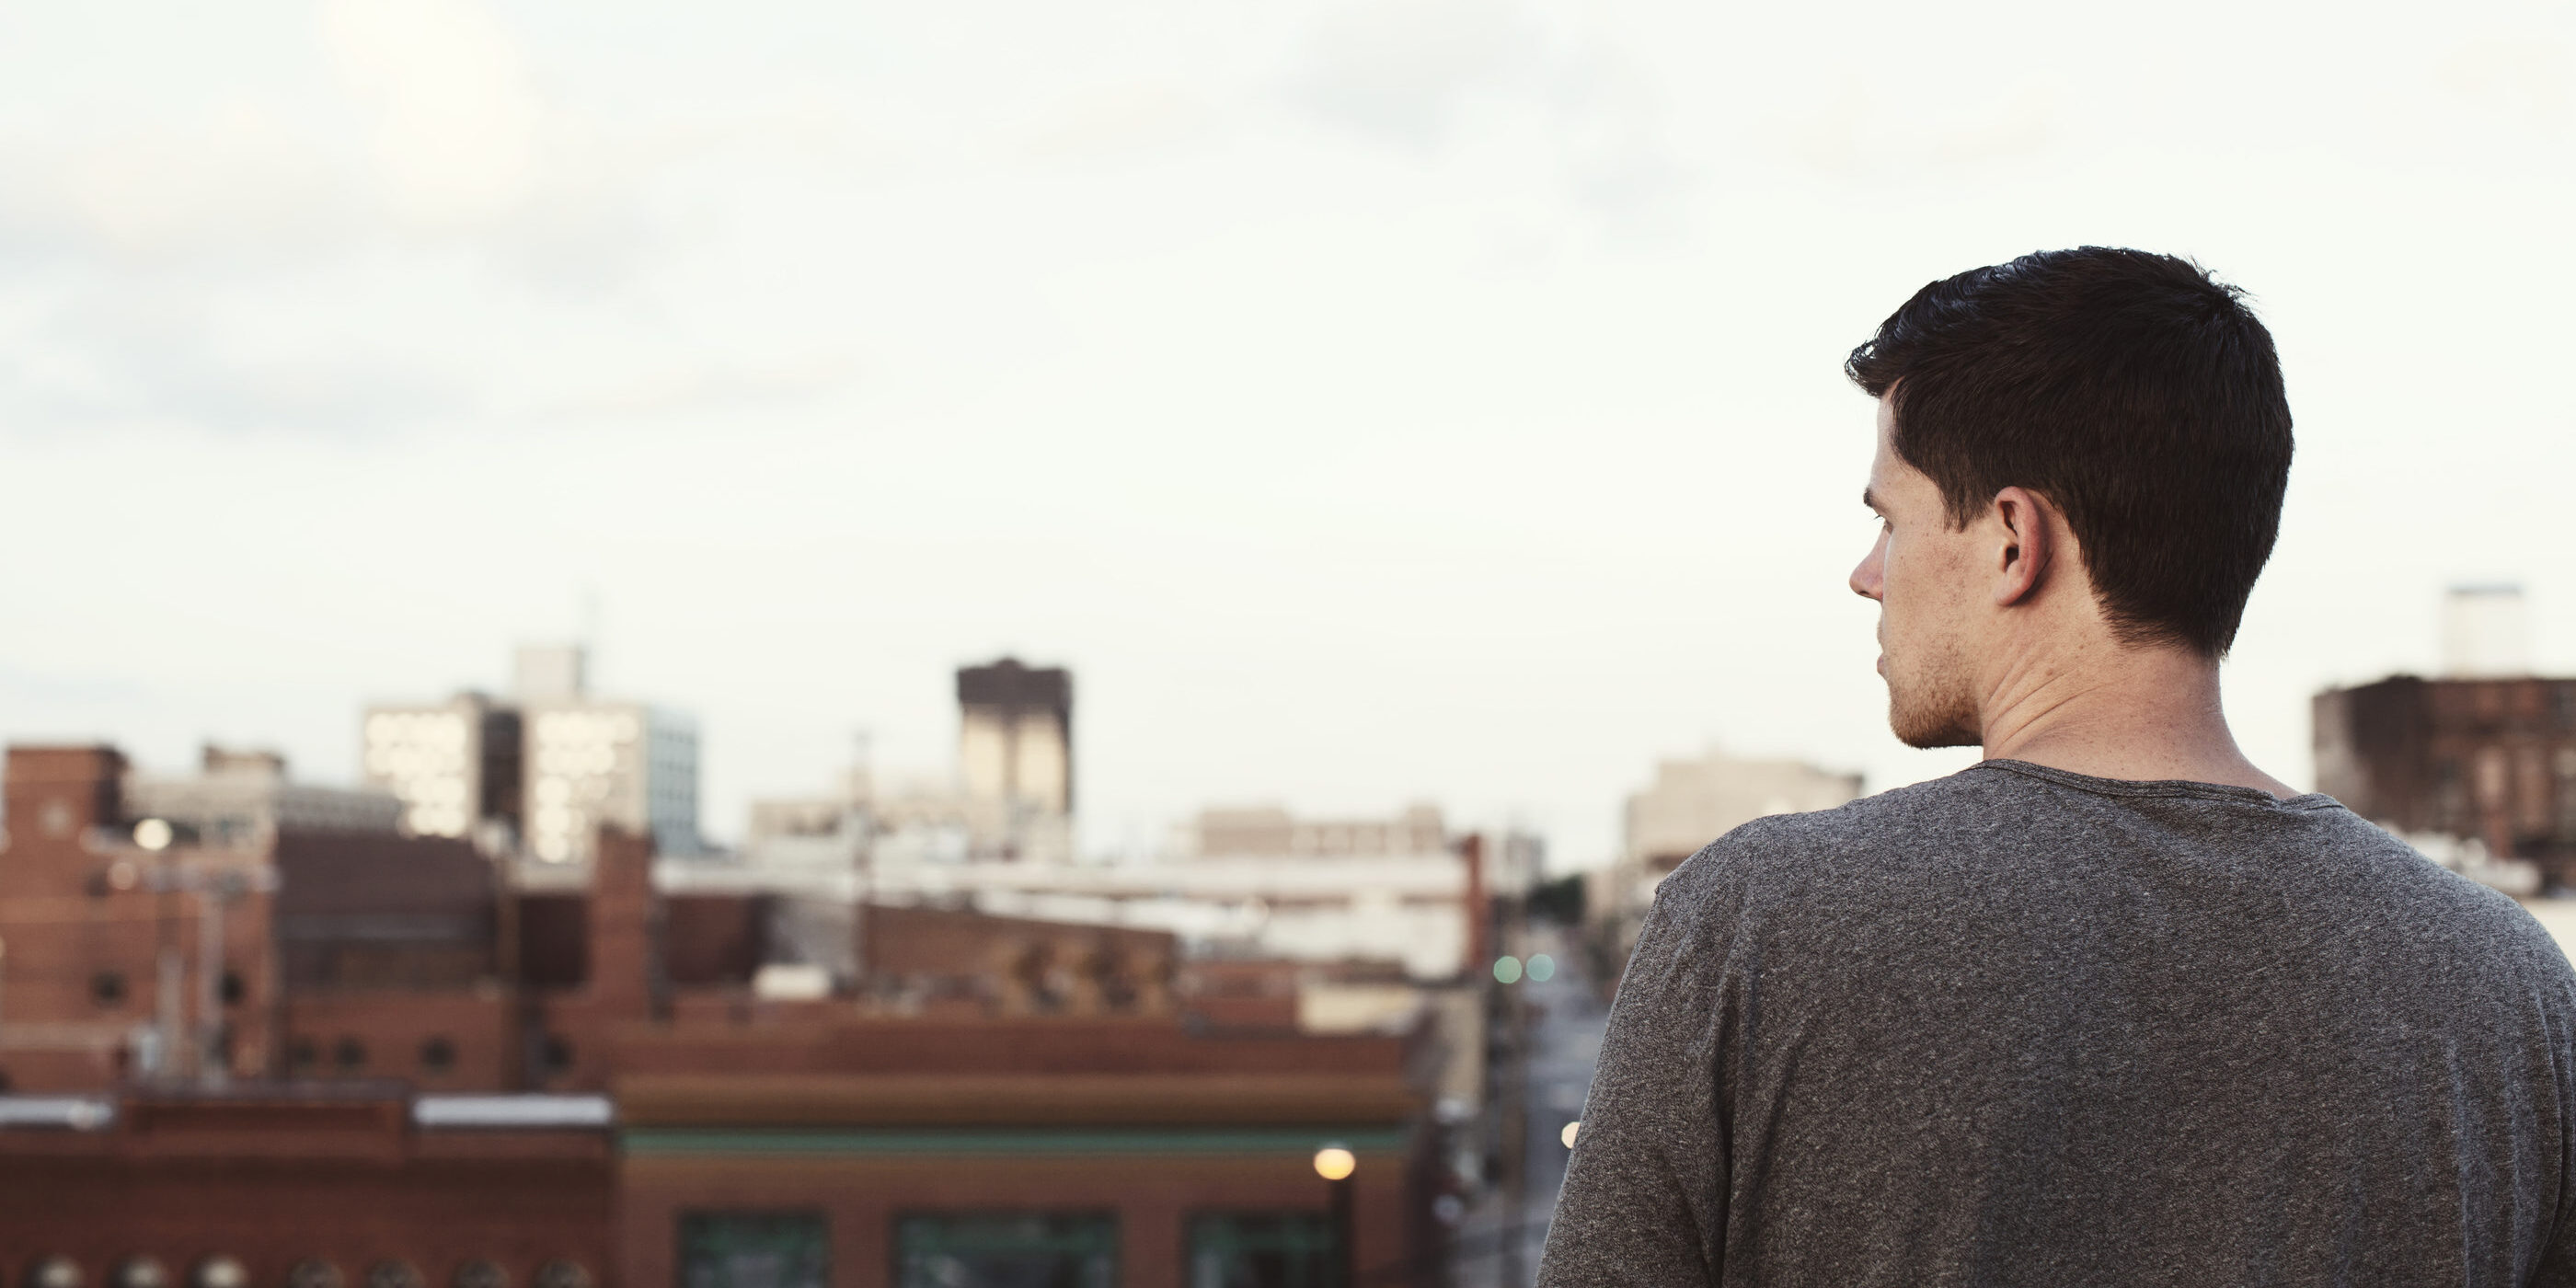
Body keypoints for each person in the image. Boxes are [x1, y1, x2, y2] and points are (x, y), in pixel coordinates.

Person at [1536, 247, 2576, 1285]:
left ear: (2010, 539)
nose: (1865, 575)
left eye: (1887, 520)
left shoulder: (1760, 922)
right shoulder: (2509, 986)